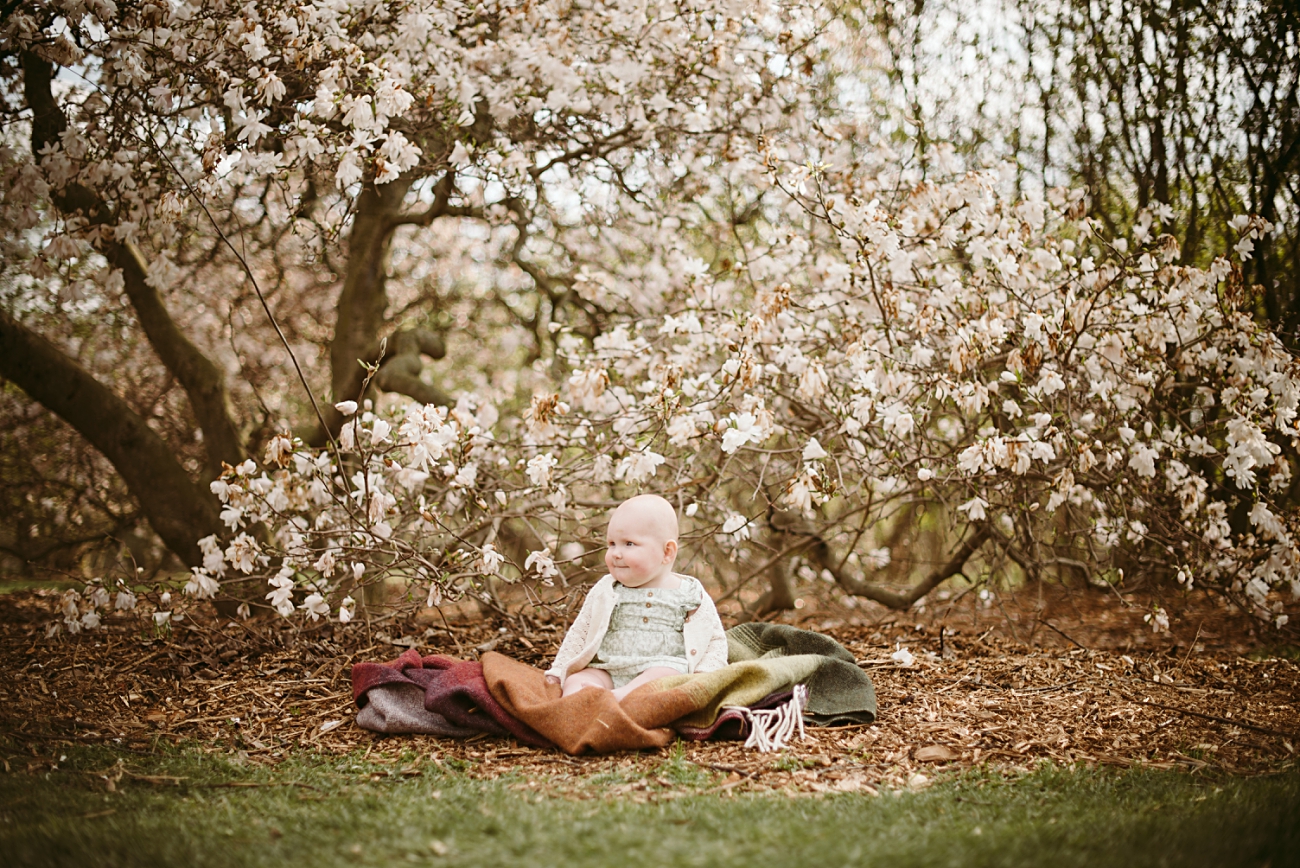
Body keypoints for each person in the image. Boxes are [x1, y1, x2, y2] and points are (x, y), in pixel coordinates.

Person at [545, 494, 729, 700]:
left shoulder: (689, 592)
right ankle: (577, 706)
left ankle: (617, 698)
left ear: (667, 552)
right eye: (612, 543)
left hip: (659, 668)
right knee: (576, 681)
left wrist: (706, 674)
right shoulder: (607, 589)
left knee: (668, 675)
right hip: (606, 668)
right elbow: (580, 631)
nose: (616, 553)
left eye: (629, 544)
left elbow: (714, 638)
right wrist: (559, 669)